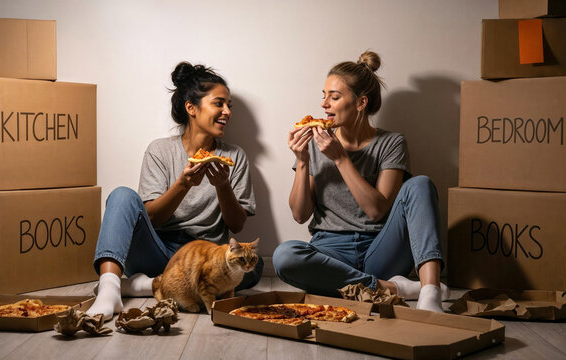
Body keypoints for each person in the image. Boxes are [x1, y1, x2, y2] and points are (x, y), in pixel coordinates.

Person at [273, 50, 449, 312]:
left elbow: (376, 210)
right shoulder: (314, 144)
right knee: (284, 256)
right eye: (324, 96)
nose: (324, 105)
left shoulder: (391, 143)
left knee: (420, 184)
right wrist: (301, 161)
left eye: (334, 97)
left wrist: (341, 159)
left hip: (381, 250)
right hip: (330, 254)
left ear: (360, 103)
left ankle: (430, 294)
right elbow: (300, 215)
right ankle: (392, 288)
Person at [87, 62, 261, 320]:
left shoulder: (234, 156)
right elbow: (152, 217)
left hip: (205, 262)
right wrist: (183, 185)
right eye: (219, 103)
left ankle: (147, 285)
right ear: (191, 107)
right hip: (159, 252)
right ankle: (109, 290)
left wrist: (223, 186)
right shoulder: (160, 150)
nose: (227, 112)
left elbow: (236, 226)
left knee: (255, 268)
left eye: (229, 106)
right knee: (122, 195)